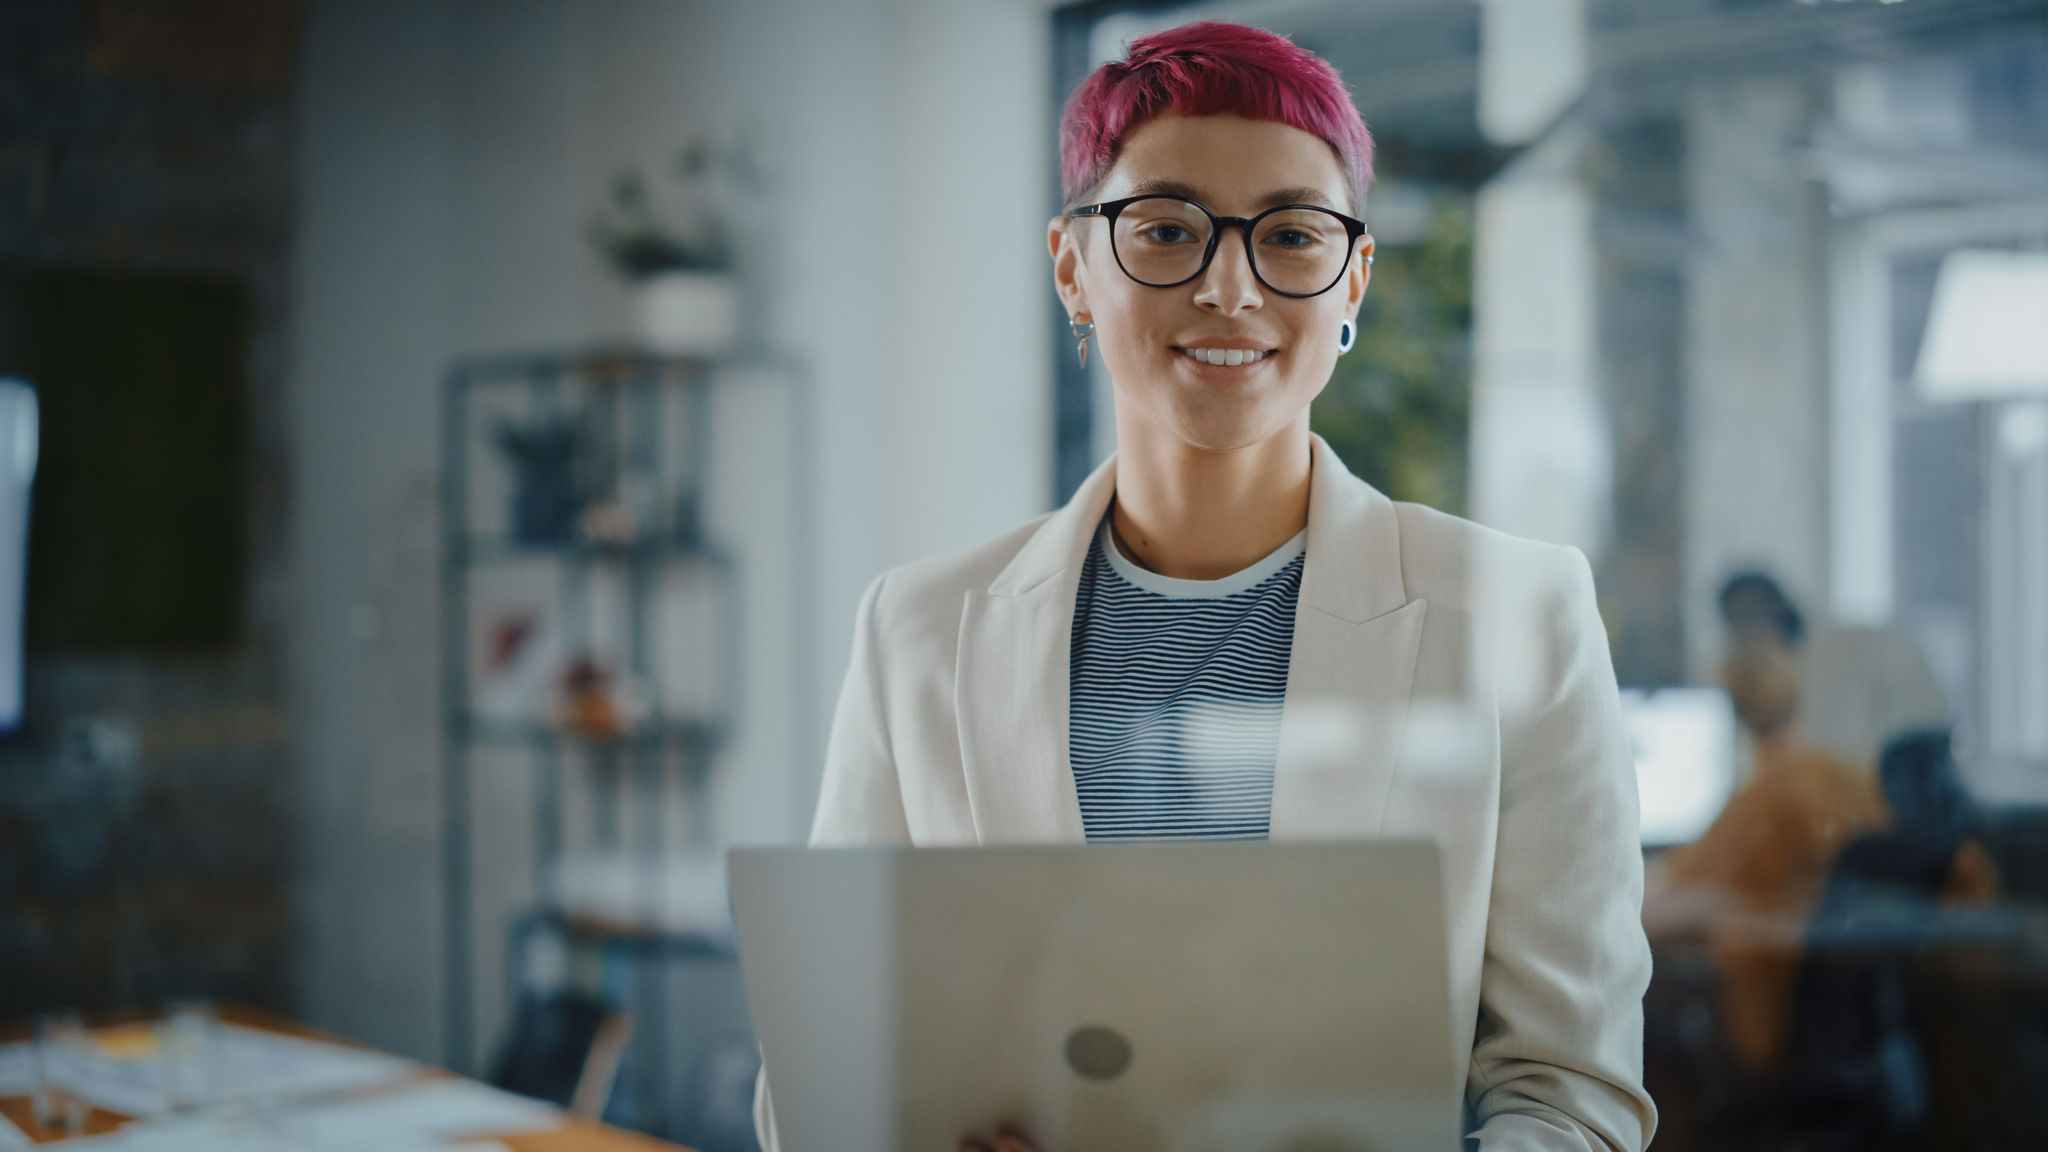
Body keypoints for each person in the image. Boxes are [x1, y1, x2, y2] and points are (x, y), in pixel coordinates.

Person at [756, 22, 1655, 1152]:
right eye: (1166, 229)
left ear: (1351, 280)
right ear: (1071, 268)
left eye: (1289, 236)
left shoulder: (1521, 613)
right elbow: (820, 1080)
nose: (1228, 288)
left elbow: (1569, 1093)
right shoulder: (918, 631)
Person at [1643, 602, 1889, 1073]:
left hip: (1772, 1029)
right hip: (1859, 1038)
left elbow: (1683, 903)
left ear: (1732, 709)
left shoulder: (1763, 800)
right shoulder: (1854, 780)